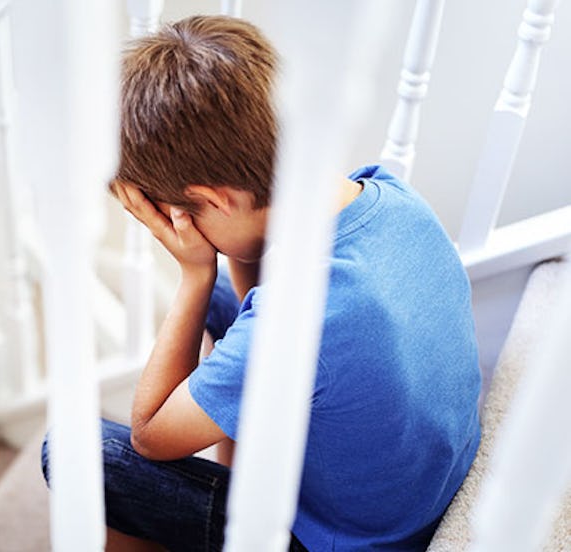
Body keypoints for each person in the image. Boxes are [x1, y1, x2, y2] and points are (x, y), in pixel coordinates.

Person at [41, 15, 480, 552]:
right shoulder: (391, 197)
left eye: (179, 217)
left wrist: (194, 274)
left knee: (76, 452)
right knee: (230, 306)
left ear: (217, 200)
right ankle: (235, 460)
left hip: (348, 541)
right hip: (411, 492)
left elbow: (151, 436)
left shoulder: (313, 315)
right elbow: (258, 300)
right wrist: (224, 253)